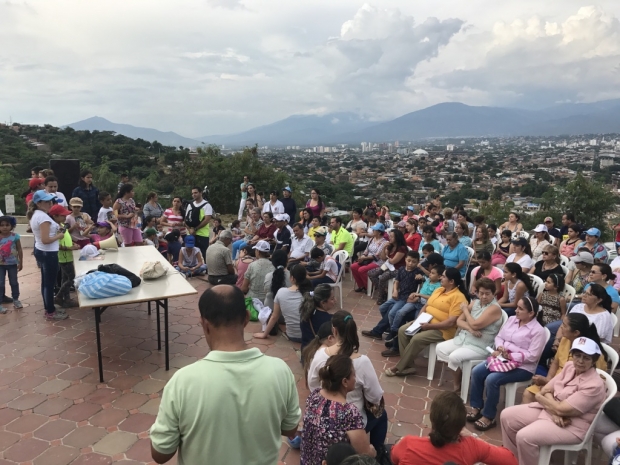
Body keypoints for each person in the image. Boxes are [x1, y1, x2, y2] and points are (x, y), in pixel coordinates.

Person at [150, 285, 300, 465]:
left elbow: (160, 453)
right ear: (246, 318)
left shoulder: (182, 382)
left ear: (204, 324)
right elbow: (290, 428)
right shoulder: (280, 371)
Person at [501, 337, 607, 465]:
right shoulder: (569, 366)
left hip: (572, 425)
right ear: (572, 355)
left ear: (593, 361)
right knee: (507, 416)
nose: (580, 361)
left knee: (525, 436)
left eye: (586, 358)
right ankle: (514, 460)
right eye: (577, 355)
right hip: (552, 413)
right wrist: (553, 408)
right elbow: (546, 389)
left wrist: (543, 399)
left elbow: (561, 408)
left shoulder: (594, 385)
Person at [307, 312, 385, 457]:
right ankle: (379, 456)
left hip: (323, 414)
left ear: (334, 331)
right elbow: (375, 397)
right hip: (353, 417)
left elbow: (312, 386)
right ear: (345, 381)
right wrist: (370, 453)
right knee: (381, 414)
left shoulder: (320, 355)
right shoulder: (362, 362)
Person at [468, 296, 546, 431]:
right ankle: (476, 406)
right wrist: (500, 348)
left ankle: (489, 416)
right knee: (477, 371)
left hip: (523, 367)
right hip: (502, 360)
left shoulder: (538, 331)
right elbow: (499, 337)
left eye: (520, 309)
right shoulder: (512, 320)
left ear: (531, 313)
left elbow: (533, 356)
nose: (516, 311)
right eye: (517, 307)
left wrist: (511, 355)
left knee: (492, 379)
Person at [391, 391, 518, 465]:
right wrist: (475, 438)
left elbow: (393, 457)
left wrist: (399, 444)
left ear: (432, 418)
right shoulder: (472, 446)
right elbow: (510, 460)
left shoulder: (408, 445)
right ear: (460, 425)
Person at [383, 267, 469, 375]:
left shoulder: (458, 297)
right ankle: (408, 366)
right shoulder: (439, 290)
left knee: (416, 339)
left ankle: (399, 367)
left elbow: (451, 322)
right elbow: (426, 306)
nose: (441, 278)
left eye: (443, 276)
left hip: (442, 330)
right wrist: (418, 320)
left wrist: (429, 326)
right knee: (402, 330)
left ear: (451, 281)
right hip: (425, 322)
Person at [302, 354, 376, 465]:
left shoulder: (314, 396)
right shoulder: (349, 412)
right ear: (345, 382)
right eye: (354, 375)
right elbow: (364, 453)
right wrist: (373, 452)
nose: (355, 379)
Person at [436, 278, 503, 392]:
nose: (484, 297)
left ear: (493, 294)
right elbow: (459, 321)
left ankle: (457, 384)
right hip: (466, 337)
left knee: (454, 357)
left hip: (481, 345)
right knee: (440, 348)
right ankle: (461, 371)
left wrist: (465, 309)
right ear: (477, 292)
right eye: (481, 293)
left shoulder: (494, 308)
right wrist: (470, 329)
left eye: (488, 294)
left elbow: (476, 325)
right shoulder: (475, 302)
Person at [523, 313, 607, 403]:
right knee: (528, 393)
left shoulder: (591, 354)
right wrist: (548, 380)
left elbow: (588, 382)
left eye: (564, 325)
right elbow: (556, 362)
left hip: (573, 392)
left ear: (576, 333)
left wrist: (550, 384)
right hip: (555, 384)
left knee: (542, 401)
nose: (561, 327)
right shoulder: (565, 340)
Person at [361, 251, 423, 342]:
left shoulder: (417, 272)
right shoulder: (402, 269)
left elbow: (426, 278)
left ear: (418, 262)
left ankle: (387, 330)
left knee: (391, 311)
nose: (410, 263)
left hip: (407, 299)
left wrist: (421, 276)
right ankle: (386, 327)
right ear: (405, 259)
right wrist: (395, 291)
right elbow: (397, 281)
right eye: (408, 260)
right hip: (399, 295)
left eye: (413, 262)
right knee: (383, 308)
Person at [29, 190, 67, 320]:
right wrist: (59, 236)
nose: (50, 203)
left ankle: (49, 307)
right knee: (49, 284)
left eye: (50, 201)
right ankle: (50, 311)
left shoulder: (38, 214)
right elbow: (45, 239)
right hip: (48, 252)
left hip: (42, 251)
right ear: (38, 203)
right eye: (46, 201)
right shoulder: (43, 218)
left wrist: (57, 229)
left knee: (46, 282)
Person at [254, 265, 311, 342]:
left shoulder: (281, 292)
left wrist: (264, 334)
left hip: (292, 335)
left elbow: (275, 316)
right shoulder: (310, 294)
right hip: (309, 336)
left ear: (292, 278)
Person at [368, 229, 408, 304]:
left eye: (392, 237)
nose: (390, 238)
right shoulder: (390, 246)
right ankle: (384, 291)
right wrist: (384, 248)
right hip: (387, 266)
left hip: (397, 269)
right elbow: (383, 258)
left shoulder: (402, 248)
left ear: (397, 238)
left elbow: (393, 261)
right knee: (371, 273)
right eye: (390, 236)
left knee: (382, 277)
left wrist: (388, 257)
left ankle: (381, 297)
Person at [50, 205, 79, 309]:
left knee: (65, 278)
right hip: (64, 257)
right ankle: (58, 296)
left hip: (67, 256)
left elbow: (66, 238)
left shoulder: (62, 225)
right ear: (55, 216)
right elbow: (56, 244)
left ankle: (67, 299)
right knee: (71, 278)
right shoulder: (54, 228)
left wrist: (73, 245)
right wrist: (69, 248)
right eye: (63, 215)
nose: (65, 217)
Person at [351, 223, 387, 293]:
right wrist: (363, 256)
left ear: (379, 232)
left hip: (377, 262)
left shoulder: (384, 242)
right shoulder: (371, 239)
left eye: (374, 230)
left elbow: (377, 256)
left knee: (362, 270)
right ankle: (361, 285)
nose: (373, 231)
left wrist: (365, 258)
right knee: (353, 266)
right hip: (367, 260)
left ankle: (369, 287)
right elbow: (366, 250)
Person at [300, 284, 336, 351]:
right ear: (323, 303)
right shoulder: (329, 321)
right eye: (332, 298)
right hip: (318, 355)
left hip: (306, 353)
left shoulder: (306, 313)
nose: (335, 300)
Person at [0, 216, 23, 313]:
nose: (4, 227)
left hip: (12, 263)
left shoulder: (15, 236)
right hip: (0, 265)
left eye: (7, 225)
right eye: (2, 225)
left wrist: (21, 261)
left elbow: (19, 249)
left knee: (13, 282)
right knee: (0, 283)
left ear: (11, 226)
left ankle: (16, 299)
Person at [186, 187, 213, 259]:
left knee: (204, 254)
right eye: (192, 193)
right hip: (191, 234)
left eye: (195, 193)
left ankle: (206, 269)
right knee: (190, 254)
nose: (193, 195)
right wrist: (189, 229)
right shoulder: (190, 205)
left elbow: (207, 220)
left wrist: (195, 229)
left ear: (201, 193)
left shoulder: (207, 205)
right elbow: (186, 219)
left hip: (202, 234)